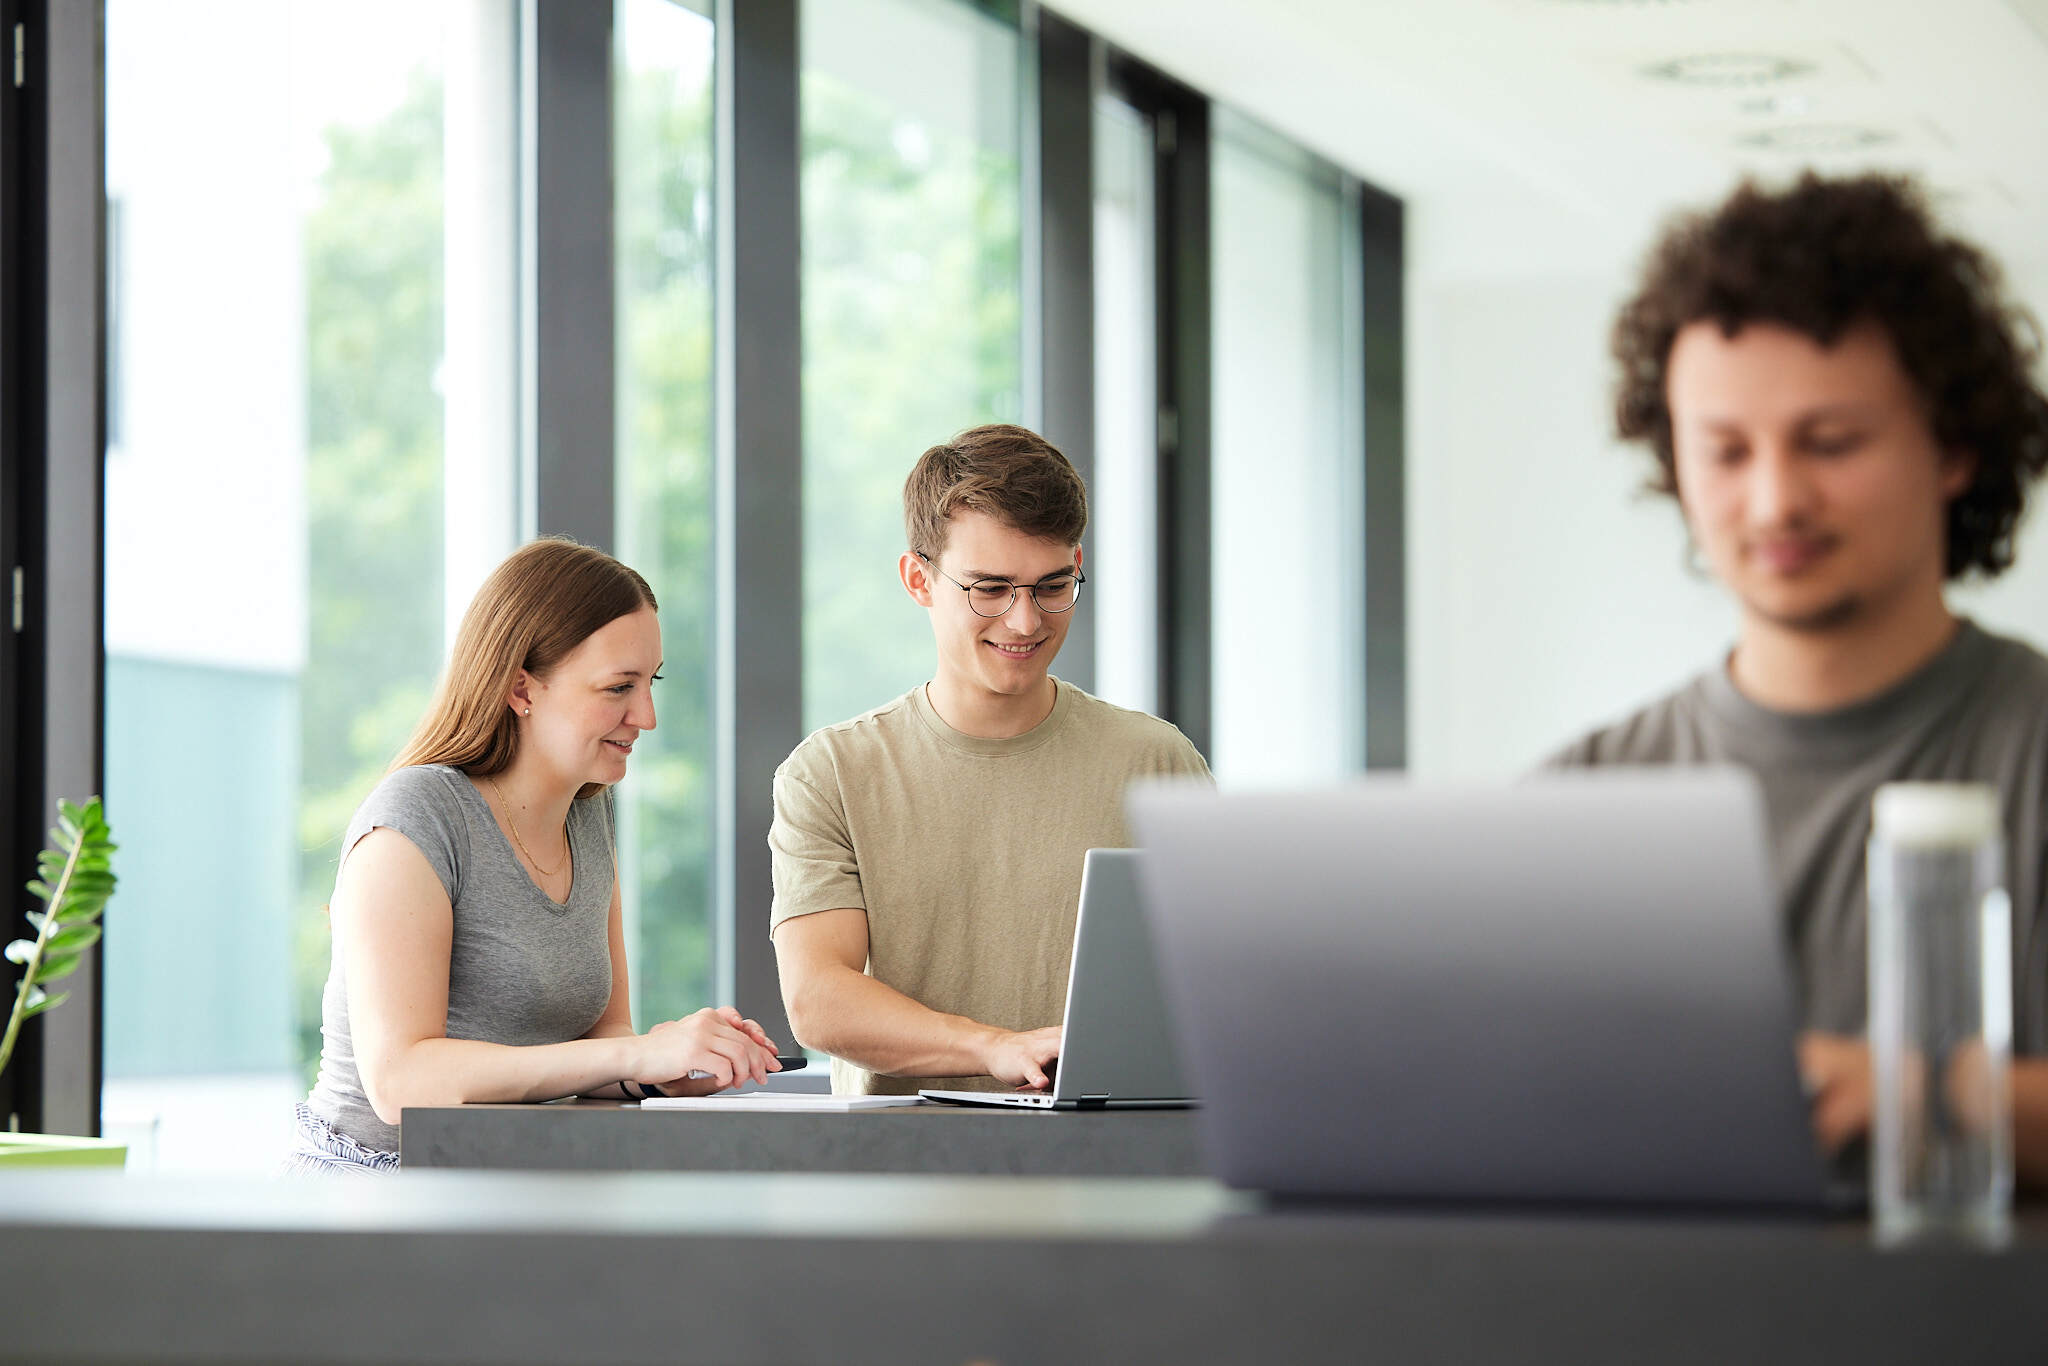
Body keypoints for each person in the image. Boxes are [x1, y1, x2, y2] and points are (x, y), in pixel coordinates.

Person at [1547, 172, 2048, 1186]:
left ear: (1950, 447)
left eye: (1830, 442)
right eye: (1724, 451)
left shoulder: (2027, 744)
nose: (1774, 500)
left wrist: (1926, 1094)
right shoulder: (1578, 800)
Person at [290, 537, 781, 1173]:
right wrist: (633, 1058)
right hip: (376, 1185)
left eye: (650, 682)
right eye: (619, 687)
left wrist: (665, 1068)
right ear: (522, 688)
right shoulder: (416, 819)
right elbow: (401, 1083)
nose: (647, 716)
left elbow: (601, 1039)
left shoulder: (589, 812)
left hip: (506, 1181)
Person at [769, 424, 1210, 1096]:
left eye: (1052, 585)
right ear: (919, 579)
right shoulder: (831, 773)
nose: (1025, 621)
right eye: (990, 589)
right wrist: (994, 1048)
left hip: (1113, 1170)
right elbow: (817, 999)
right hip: (902, 1177)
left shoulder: (1158, 762)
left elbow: (1220, 980)